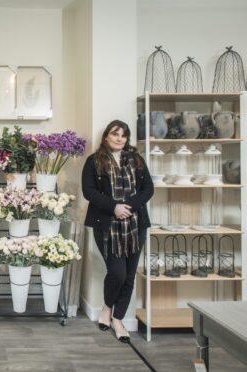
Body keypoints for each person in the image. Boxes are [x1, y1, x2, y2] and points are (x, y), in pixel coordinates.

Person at [81, 120, 154, 343]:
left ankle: (117, 319)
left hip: (136, 225)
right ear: (106, 137)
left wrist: (128, 207)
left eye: (124, 135)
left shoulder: (137, 160)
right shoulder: (94, 161)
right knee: (118, 273)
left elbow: (148, 189)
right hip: (107, 226)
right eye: (115, 134)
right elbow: (89, 191)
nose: (120, 138)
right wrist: (114, 207)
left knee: (130, 276)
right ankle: (106, 307)